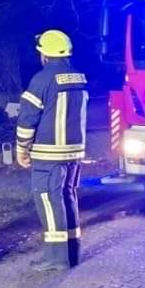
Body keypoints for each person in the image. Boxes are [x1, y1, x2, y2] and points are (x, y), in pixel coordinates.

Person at [15, 29, 89, 270]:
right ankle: (71, 252)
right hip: (74, 153)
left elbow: (27, 119)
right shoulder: (79, 77)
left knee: (48, 200)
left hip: (49, 155)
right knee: (68, 197)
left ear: (45, 55)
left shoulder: (41, 79)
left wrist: (22, 149)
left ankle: (56, 258)